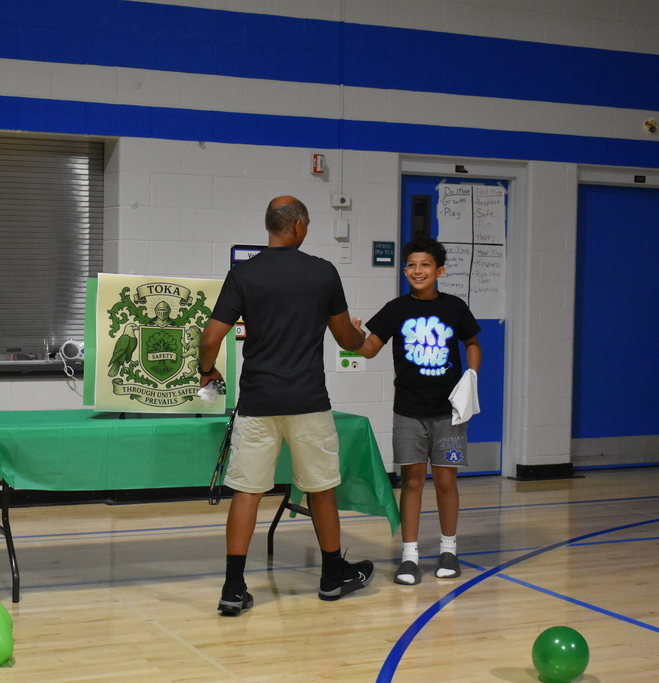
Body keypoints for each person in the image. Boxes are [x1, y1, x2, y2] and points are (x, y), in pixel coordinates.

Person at [198, 195, 374, 616]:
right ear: (297, 226)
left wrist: (207, 373)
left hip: (258, 403)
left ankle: (233, 587)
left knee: (247, 492)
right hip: (308, 401)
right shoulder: (323, 273)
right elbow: (347, 341)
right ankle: (333, 576)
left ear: (270, 227)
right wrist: (358, 334)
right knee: (320, 488)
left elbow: (210, 338)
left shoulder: (243, 274)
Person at [353, 237, 481, 585]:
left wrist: (471, 375)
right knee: (411, 482)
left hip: (449, 414)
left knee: (445, 480)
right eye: (411, 265)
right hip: (408, 413)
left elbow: (472, 343)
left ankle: (448, 550)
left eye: (425, 265)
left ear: (439, 270)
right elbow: (367, 349)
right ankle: (409, 555)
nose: (417, 271)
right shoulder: (396, 309)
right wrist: (352, 336)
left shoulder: (454, 307)